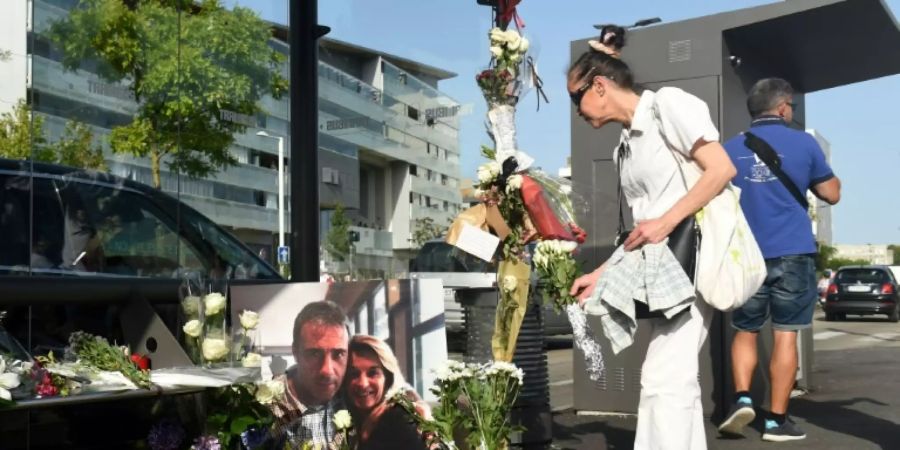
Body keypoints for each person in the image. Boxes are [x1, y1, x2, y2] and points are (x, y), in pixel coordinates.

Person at [567, 25, 737, 450]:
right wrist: (602, 272)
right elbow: (639, 227)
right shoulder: (625, 143)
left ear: (600, 86)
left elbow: (720, 170)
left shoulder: (669, 106)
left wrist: (666, 221)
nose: (577, 110)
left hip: (692, 257)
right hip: (659, 270)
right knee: (671, 377)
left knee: (667, 376)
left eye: (576, 98)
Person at [719, 78, 841, 442]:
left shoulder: (729, 148)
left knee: (745, 330)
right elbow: (831, 193)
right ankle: (776, 421)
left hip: (746, 254)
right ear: (784, 107)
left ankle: (742, 398)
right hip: (792, 251)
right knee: (785, 335)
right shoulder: (804, 143)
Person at [271, 300, 350, 448]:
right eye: (314, 354)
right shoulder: (263, 410)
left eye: (338, 354)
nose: (327, 370)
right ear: (295, 352)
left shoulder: (354, 396)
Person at [343, 335, 428, 450]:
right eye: (354, 374)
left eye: (373, 373)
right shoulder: (343, 408)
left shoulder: (400, 419)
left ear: (387, 378)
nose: (363, 383)